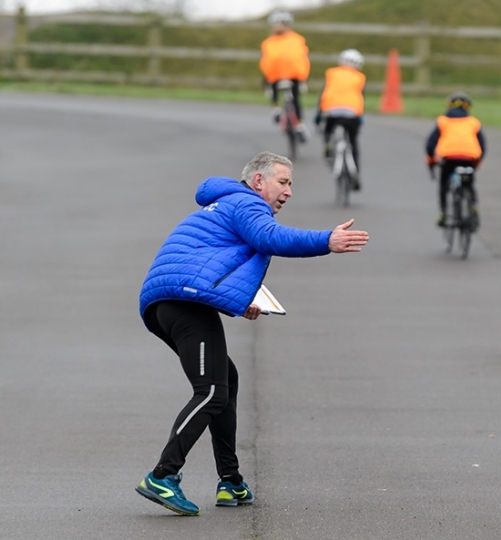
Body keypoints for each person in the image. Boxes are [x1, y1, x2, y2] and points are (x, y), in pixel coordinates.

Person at [135, 152, 369, 516]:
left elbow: (209, 261)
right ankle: (162, 475)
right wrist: (327, 240)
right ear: (259, 181)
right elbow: (270, 238)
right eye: (284, 182)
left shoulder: (228, 203)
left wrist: (240, 300)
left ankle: (231, 481)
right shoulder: (246, 203)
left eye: (291, 184)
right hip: (182, 303)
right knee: (211, 390)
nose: (289, 192)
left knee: (225, 380)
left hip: (173, 300)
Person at [425, 91, 486, 228]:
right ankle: (473, 205)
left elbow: (430, 144)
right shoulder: (473, 122)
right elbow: (482, 145)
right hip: (470, 156)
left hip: (448, 157)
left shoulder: (443, 121)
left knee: (444, 183)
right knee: (469, 182)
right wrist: (478, 161)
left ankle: (444, 212)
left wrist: (431, 160)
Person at [314, 48, 366, 190]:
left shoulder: (331, 74)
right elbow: (361, 99)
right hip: (352, 113)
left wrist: (318, 117)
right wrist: (360, 118)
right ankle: (355, 173)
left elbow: (323, 96)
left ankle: (328, 148)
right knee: (353, 141)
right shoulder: (360, 77)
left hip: (332, 112)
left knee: (327, 130)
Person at [259, 11, 311, 141]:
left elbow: (266, 63)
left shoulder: (268, 42)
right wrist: (304, 77)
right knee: (296, 99)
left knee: (270, 83)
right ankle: (300, 125)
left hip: (276, 76)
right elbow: (304, 59)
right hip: (296, 75)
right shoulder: (298, 39)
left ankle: (276, 107)